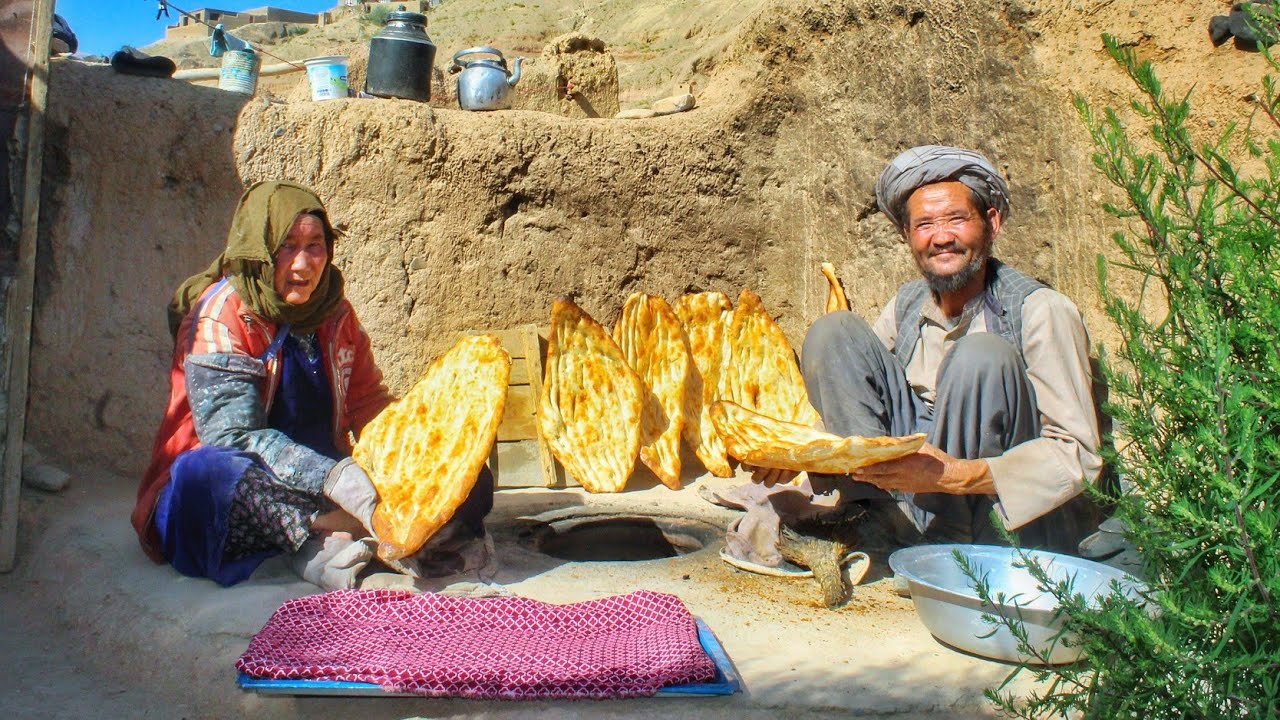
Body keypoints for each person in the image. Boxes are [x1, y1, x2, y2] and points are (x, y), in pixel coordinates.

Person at [131, 180, 493, 589]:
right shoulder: (220, 315)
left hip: (327, 480)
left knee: (469, 478)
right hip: (247, 488)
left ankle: (344, 533)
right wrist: (334, 479)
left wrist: (422, 446)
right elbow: (231, 435)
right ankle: (330, 532)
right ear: (259, 250)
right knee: (208, 474)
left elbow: (368, 403)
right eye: (287, 246)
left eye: (315, 246)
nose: (303, 264)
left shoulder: (334, 313)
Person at [783, 145, 1102, 553]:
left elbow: (1077, 455)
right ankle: (870, 517)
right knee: (835, 332)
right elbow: (856, 400)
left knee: (980, 357)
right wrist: (792, 455)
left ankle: (959, 549)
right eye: (924, 224)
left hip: (997, 520)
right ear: (907, 235)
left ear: (992, 223)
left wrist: (956, 475)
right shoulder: (908, 303)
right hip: (915, 499)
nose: (941, 237)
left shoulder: (1041, 311)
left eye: (956, 219)